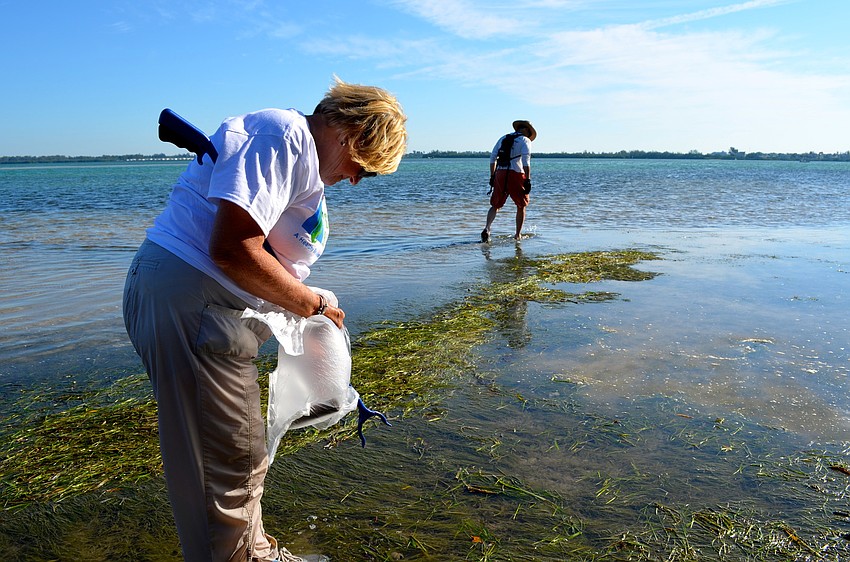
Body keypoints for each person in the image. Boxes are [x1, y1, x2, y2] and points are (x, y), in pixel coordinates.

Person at [123, 77, 407, 562]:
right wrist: (311, 305)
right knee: (226, 460)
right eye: (363, 167)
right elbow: (232, 249)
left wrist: (305, 297)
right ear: (350, 133)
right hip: (195, 300)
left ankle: (252, 551)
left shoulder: (300, 160)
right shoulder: (283, 136)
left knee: (239, 451)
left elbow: (264, 251)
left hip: (212, 307)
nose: (358, 180)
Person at [481, 120, 537, 242]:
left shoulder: (503, 138)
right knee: (521, 205)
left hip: (500, 173)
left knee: (495, 205)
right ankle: (517, 235)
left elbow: (492, 158)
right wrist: (527, 180)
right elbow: (526, 163)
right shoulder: (525, 140)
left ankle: (487, 228)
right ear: (527, 131)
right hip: (516, 174)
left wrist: (492, 176)